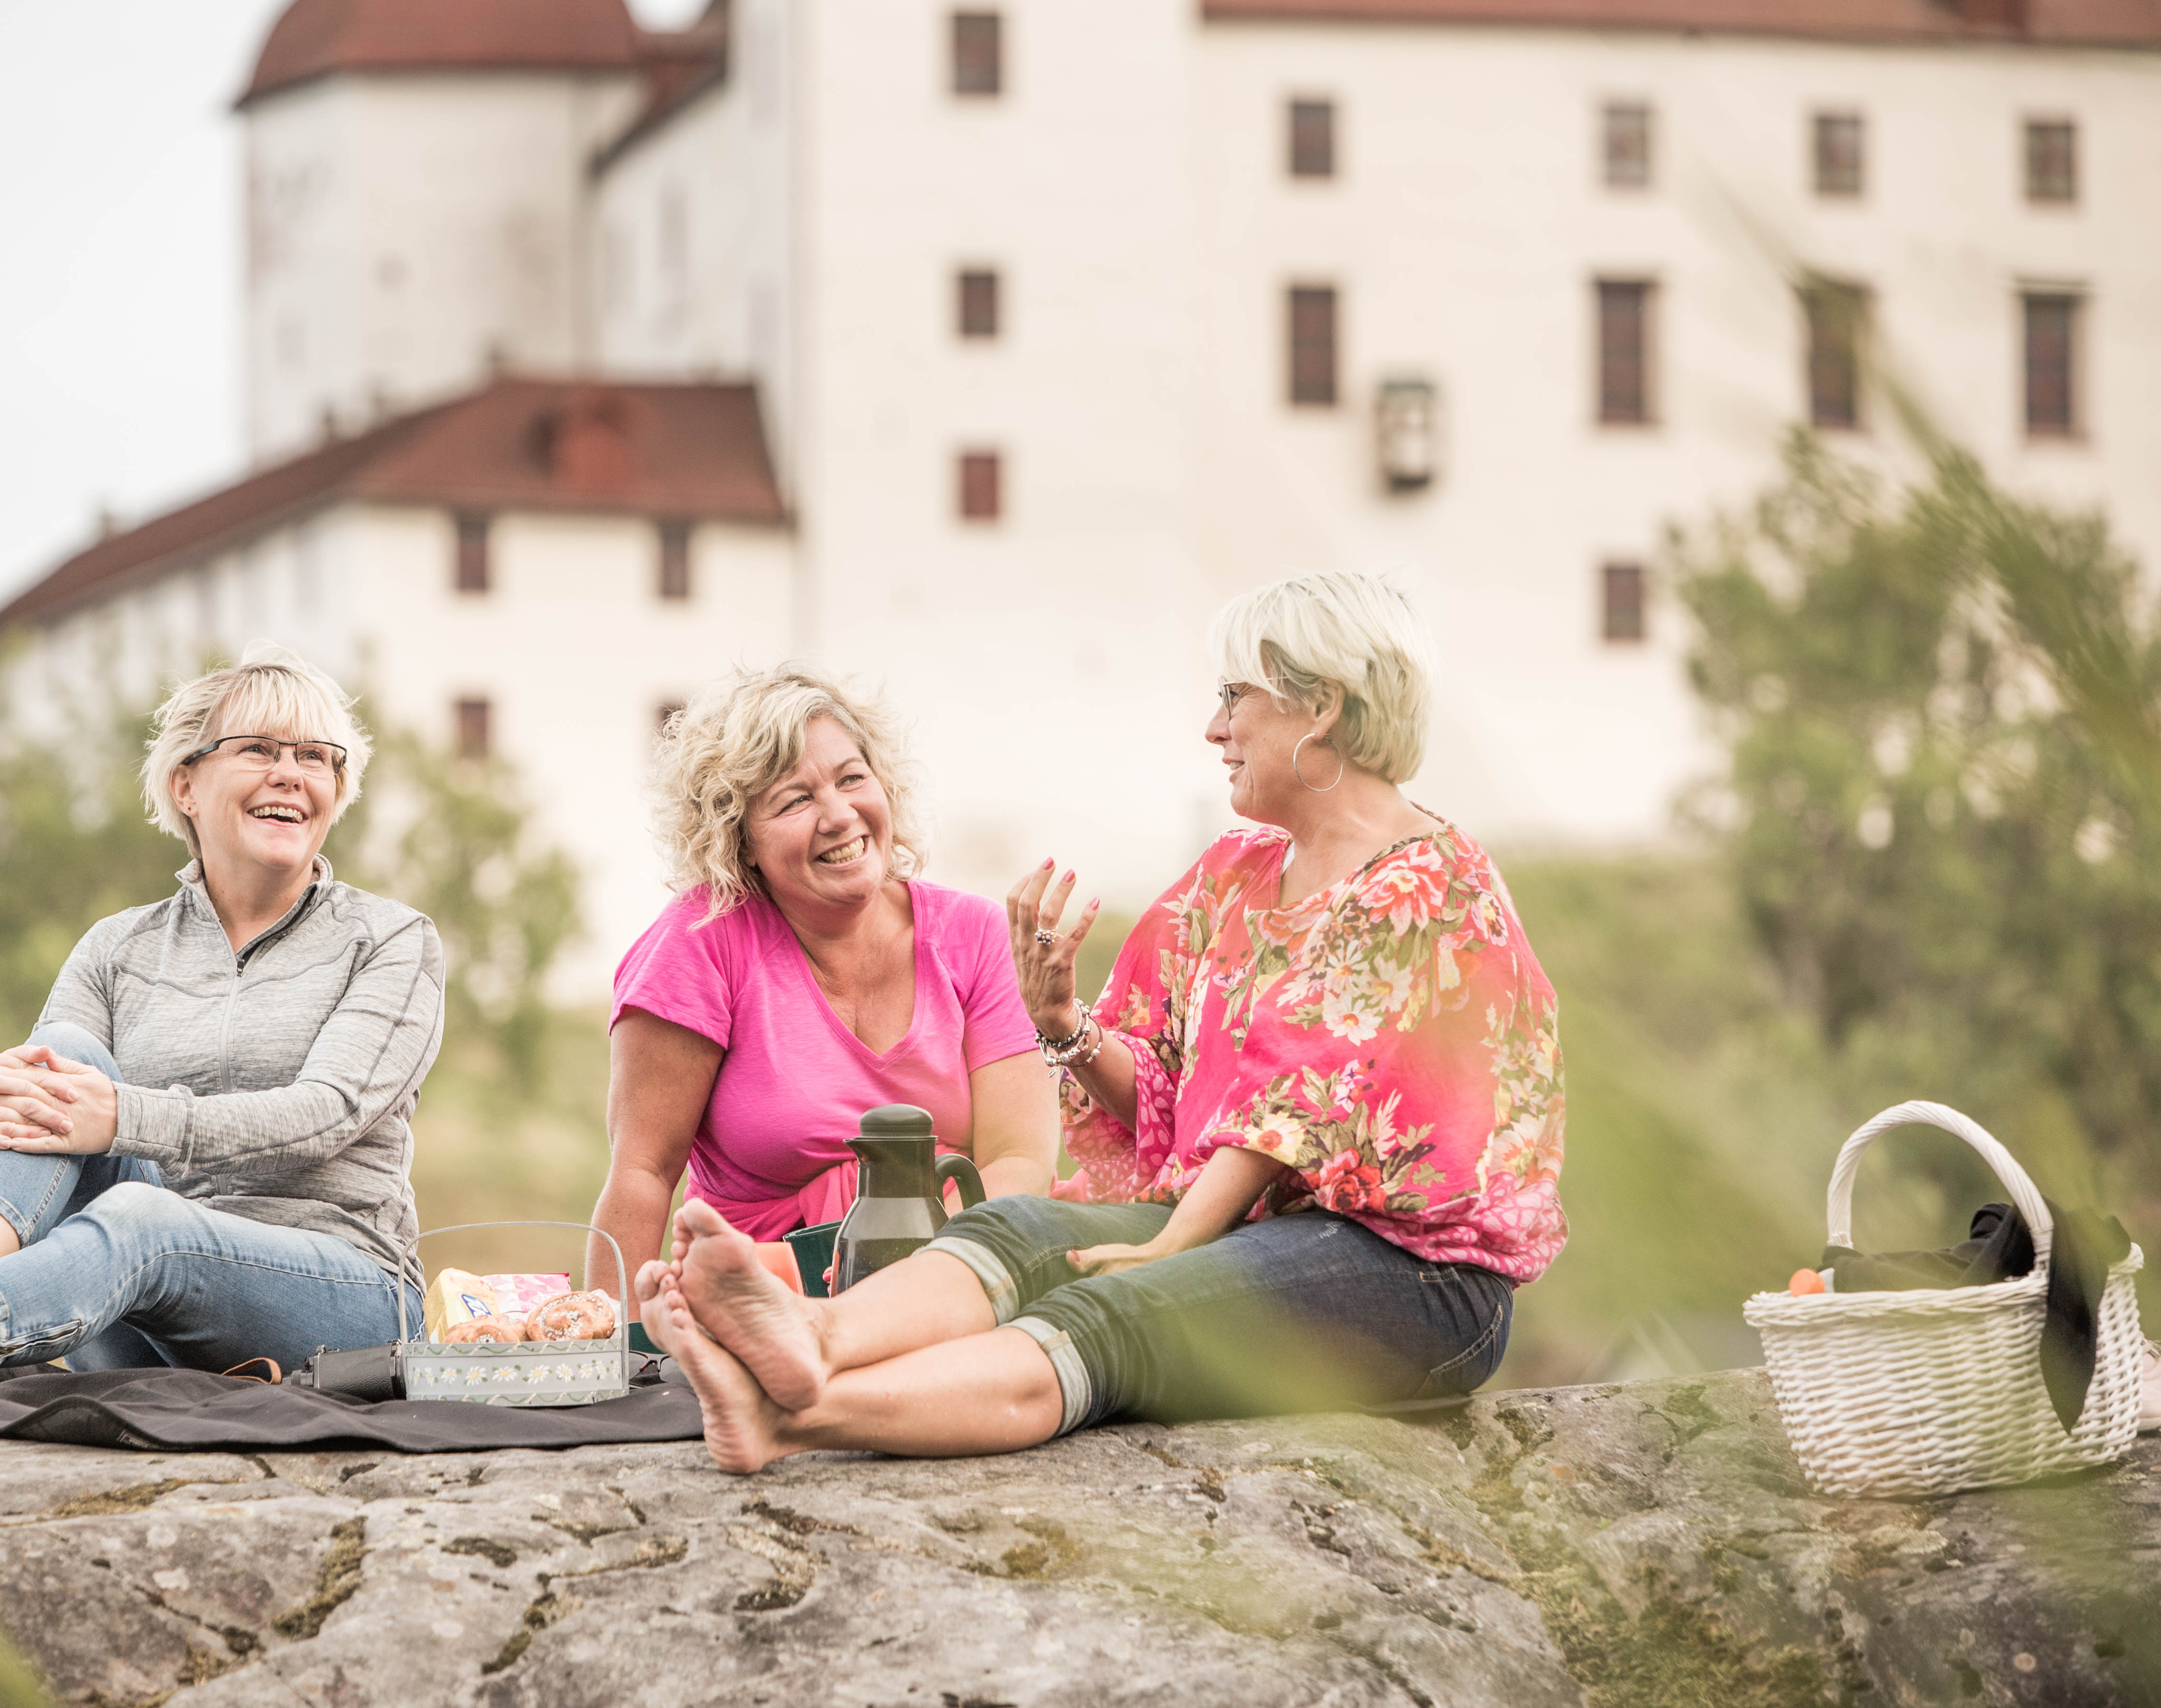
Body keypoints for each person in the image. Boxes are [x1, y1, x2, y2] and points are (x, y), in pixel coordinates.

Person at [638, 573, 1568, 1472]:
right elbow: (1173, 1099)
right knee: (1023, 1228)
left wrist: (1167, 1243)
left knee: (1121, 1302)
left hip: (1418, 1279)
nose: (1214, 726)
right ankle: (809, 1334)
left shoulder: (1425, 889)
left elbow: (1283, 1113)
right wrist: (1063, 1023)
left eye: (1233, 696)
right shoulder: (1238, 874)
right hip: (1255, 1223)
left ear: (1317, 707)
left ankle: (787, 1417)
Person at [0, 646, 445, 1431]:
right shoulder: (119, 948)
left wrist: (123, 1118)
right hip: (137, 1314)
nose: (293, 773)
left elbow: (328, 1113)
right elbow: (38, 1115)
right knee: (57, 1065)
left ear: (336, 793)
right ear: (187, 783)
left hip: (346, 1302)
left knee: (146, 1213)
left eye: (318, 758)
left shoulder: (391, 940)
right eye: (260, 750)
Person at [584, 662, 1057, 1293]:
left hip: (953, 1279)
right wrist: (617, 1362)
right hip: (761, 1299)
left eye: (852, 779)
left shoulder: (974, 934)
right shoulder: (698, 945)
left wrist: (928, 1287)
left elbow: (1018, 1161)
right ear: (740, 839)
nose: (839, 815)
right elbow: (641, 1175)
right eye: (796, 801)